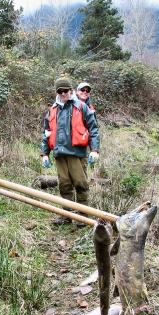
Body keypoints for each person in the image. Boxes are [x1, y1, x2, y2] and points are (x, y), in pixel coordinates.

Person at [40, 77, 100, 228]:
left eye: (65, 91)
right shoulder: (52, 110)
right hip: (60, 154)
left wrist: (94, 150)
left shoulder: (81, 107)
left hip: (76, 153)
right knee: (64, 184)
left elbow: (93, 129)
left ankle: (83, 216)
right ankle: (67, 214)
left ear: (71, 91)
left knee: (80, 183)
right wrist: (45, 153)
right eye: (60, 91)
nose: (63, 94)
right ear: (56, 92)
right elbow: (46, 133)